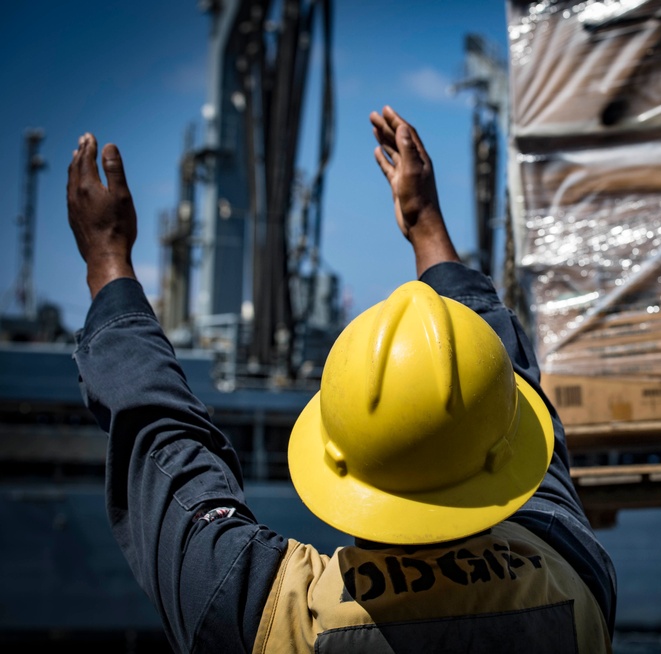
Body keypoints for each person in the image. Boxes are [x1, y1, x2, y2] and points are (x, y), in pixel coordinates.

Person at [67, 105, 617, 652]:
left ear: (337, 459)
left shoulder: (276, 621)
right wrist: (427, 225)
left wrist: (108, 260)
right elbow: (510, 381)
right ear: (503, 455)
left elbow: (163, 441)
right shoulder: (573, 576)